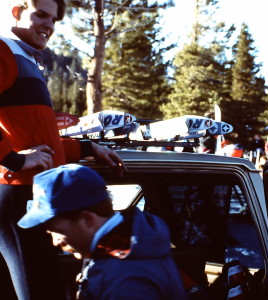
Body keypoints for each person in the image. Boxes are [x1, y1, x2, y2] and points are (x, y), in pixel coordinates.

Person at [0, 1, 126, 299]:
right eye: (41, 15)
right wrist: (14, 160)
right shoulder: (4, 50)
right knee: (40, 292)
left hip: (32, 195)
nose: (49, 25)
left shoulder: (26, 58)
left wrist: (87, 146)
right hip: (17, 194)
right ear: (16, 12)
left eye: (54, 20)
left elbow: (43, 143)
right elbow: (31, 152)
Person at [18, 164, 187, 300]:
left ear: (87, 220)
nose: (55, 242)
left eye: (57, 231)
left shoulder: (124, 279)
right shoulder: (128, 247)